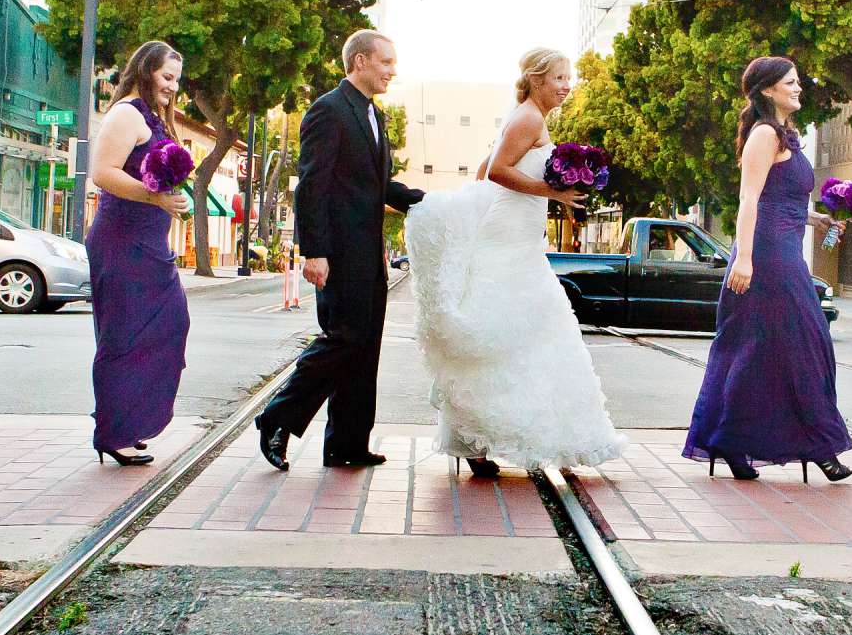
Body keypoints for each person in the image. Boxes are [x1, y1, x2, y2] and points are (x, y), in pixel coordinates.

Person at [405, 48, 623, 479]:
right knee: (525, 327)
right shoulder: (529, 118)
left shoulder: (525, 117)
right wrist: (552, 191)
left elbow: (487, 164)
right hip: (509, 240)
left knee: (517, 332)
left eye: (569, 77)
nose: (567, 85)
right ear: (537, 79)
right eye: (560, 77)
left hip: (516, 234)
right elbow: (497, 172)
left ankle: (478, 439)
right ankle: (512, 437)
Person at [256, 31, 424, 470]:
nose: (392, 71)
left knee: (365, 347)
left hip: (370, 256)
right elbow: (311, 184)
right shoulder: (329, 110)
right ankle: (277, 417)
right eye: (386, 62)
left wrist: (433, 203)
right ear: (361, 61)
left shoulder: (374, 115)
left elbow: (378, 186)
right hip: (338, 254)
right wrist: (314, 251)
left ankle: (347, 444)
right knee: (344, 340)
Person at [683, 56, 852, 483]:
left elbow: (784, 197)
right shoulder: (763, 134)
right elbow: (749, 199)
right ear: (767, 91)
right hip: (767, 259)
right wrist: (743, 258)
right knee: (795, 347)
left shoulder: (787, 137)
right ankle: (820, 448)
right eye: (791, 82)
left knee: (771, 352)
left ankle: (737, 444)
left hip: (786, 253)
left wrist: (817, 219)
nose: (799, 88)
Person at [86, 41, 194, 466]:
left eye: (177, 81)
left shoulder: (155, 118)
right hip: (120, 241)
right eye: (167, 77)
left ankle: (129, 419)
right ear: (146, 70)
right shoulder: (127, 113)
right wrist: (155, 199)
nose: (172, 87)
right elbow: (103, 173)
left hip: (151, 244)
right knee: (122, 336)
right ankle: (114, 431)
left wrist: (170, 196)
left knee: (170, 324)